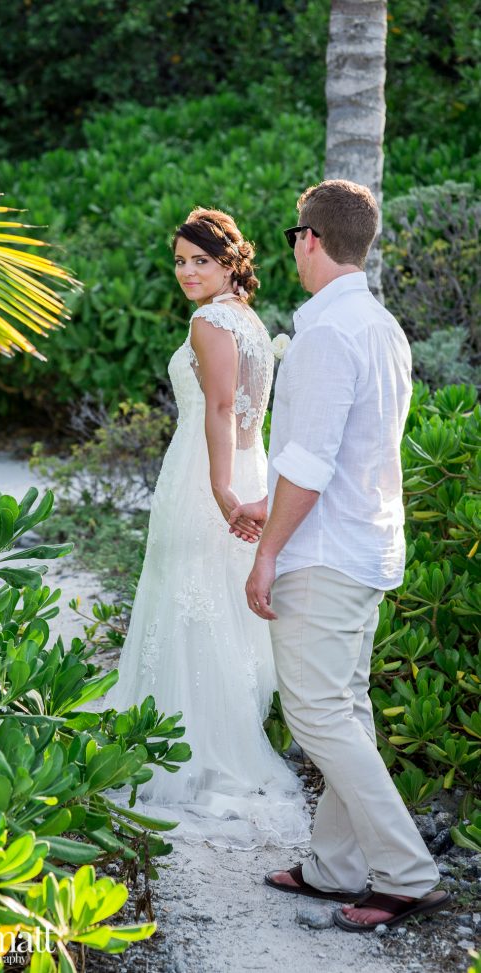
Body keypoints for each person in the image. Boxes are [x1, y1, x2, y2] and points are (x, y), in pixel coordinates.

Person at [230, 180, 449, 929]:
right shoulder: (383, 326)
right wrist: (272, 503)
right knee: (345, 708)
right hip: (367, 541)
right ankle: (336, 866)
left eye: (296, 234)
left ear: (309, 240)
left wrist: (266, 553)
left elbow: (314, 462)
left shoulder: (327, 332)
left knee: (318, 712)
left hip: (326, 552)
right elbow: (344, 452)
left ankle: (407, 872)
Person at [106, 207, 310, 849]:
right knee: (220, 602)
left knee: (191, 599)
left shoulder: (208, 321)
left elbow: (220, 409)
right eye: (179, 260)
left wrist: (221, 490)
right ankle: (218, 732)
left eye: (200, 260)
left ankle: (193, 747)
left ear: (229, 262)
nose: (186, 272)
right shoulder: (250, 321)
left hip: (208, 473)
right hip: (252, 466)